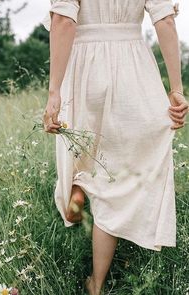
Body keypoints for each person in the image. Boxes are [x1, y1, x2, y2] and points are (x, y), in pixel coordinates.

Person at [42, 1, 189, 294]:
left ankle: (79, 189)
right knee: (117, 179)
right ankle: (97, 284)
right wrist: (176, 89)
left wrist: (54, 92)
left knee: (79, 163)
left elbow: (63, 21)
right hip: (133, 69)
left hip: (83, 68)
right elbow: (165, 21)